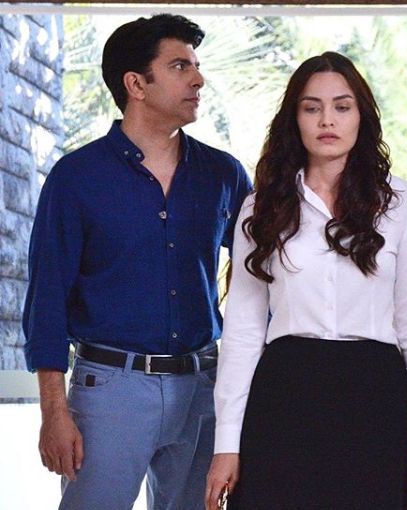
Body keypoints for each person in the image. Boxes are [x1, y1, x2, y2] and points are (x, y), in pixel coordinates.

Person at [22, 13, 251, 510]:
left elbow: (266, 274)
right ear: (136, 84)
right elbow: (46, 301)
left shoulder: (224, 175)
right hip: (109, 391)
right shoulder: (76, 178)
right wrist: (54, 412)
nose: (198, 79)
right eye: (180, 66)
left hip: (202, 388)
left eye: (196, 65)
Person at [204, 51, 407, 510]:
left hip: (378, 399)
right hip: (285, 397)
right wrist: (226, 444)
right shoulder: (262, 206)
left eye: (342, 106)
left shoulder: (400, 202)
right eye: (311, 107)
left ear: (361, 117)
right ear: (294, 118)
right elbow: (243, 332)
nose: (327, 120)